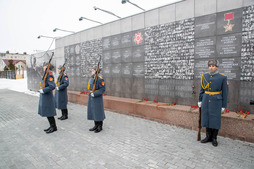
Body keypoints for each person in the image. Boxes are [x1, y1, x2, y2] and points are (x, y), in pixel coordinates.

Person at [198, 60, 228, 147]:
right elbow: (202, 90)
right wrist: (200, 100)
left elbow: (225, 93)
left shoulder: (222, 77)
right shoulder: (204, 76)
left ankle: (214, 138)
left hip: (216, 101)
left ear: (216, 67)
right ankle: (208, 136)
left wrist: (223, 105)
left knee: (215, 119)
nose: (211, 67)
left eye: (213, 66)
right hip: (206, 100)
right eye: (210, 66)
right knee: (207, 117)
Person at [38, 62, 57, 134]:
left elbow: (52, 86)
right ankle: (52, 126)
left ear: (47, 67)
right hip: (45, 96)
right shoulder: (46, 74)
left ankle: (54, 127)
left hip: (48, 96)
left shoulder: (49, 74)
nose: (43, 67)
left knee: (49, 112)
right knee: (47, 112)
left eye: (45, 66)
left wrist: (43, 90)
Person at [87, 67, 105, 133]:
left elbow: (102, 89)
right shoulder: (92, 78)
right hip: (92, 97)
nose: (91, 71)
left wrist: (95, 94)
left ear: (96, 71)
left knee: (98, 112)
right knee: (93, 111)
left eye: (93, 70)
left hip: (97, 98)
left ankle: (100, 126)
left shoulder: (100, 79)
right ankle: (95, 125)